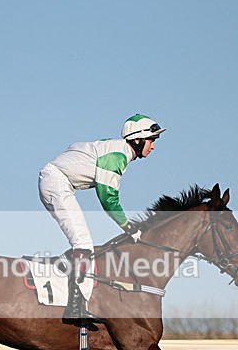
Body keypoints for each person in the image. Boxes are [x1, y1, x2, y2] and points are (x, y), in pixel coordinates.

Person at [38, 114, 165, 323]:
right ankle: (75, 306)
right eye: (151, 140)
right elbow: (108, 199)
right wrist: (128, 227)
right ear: (137, 139)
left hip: (57, 181)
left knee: (83, 242)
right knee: (83, 242)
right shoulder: (118, 155)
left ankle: (64, 270)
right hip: (57, 182)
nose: (153, 146)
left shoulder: (117, 150)